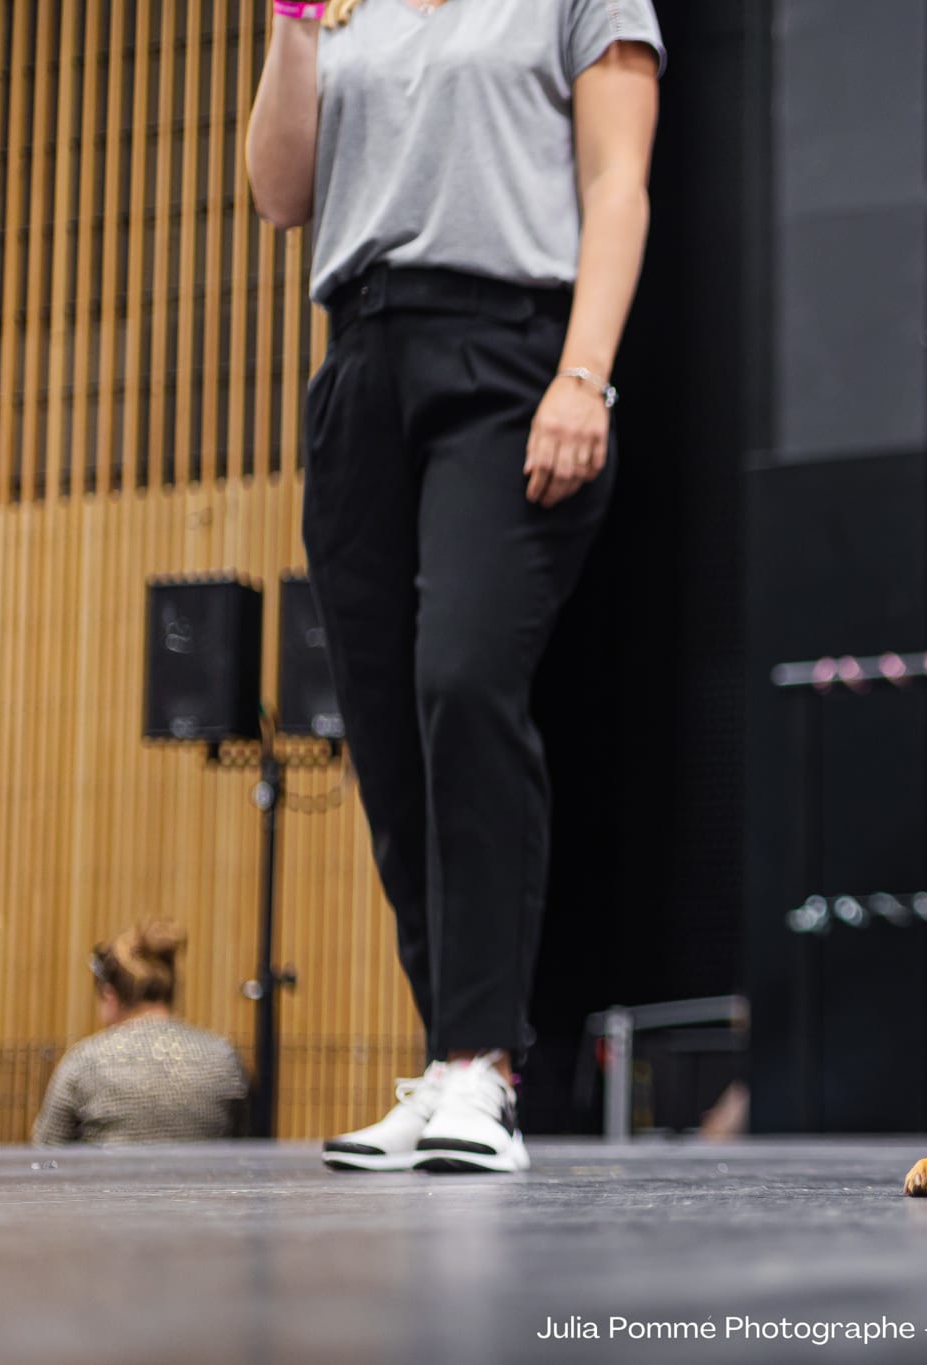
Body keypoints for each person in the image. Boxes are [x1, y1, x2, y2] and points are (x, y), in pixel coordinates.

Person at [246, 0, 664, 1173]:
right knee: (381, 728)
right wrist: (291, 27)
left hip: (509, 356)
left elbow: (617, 183)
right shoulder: (347, 12)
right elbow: (282, 196)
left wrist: (585, 376)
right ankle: (444, 1058)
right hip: (359, 363)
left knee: (463, 682)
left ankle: (485, 1067)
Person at [33, 924, 248, 1146]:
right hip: (203, 1180)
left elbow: (46, 1156)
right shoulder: (222, 1059)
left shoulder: (85, 1063)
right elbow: (246, 1148)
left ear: (109, 995)